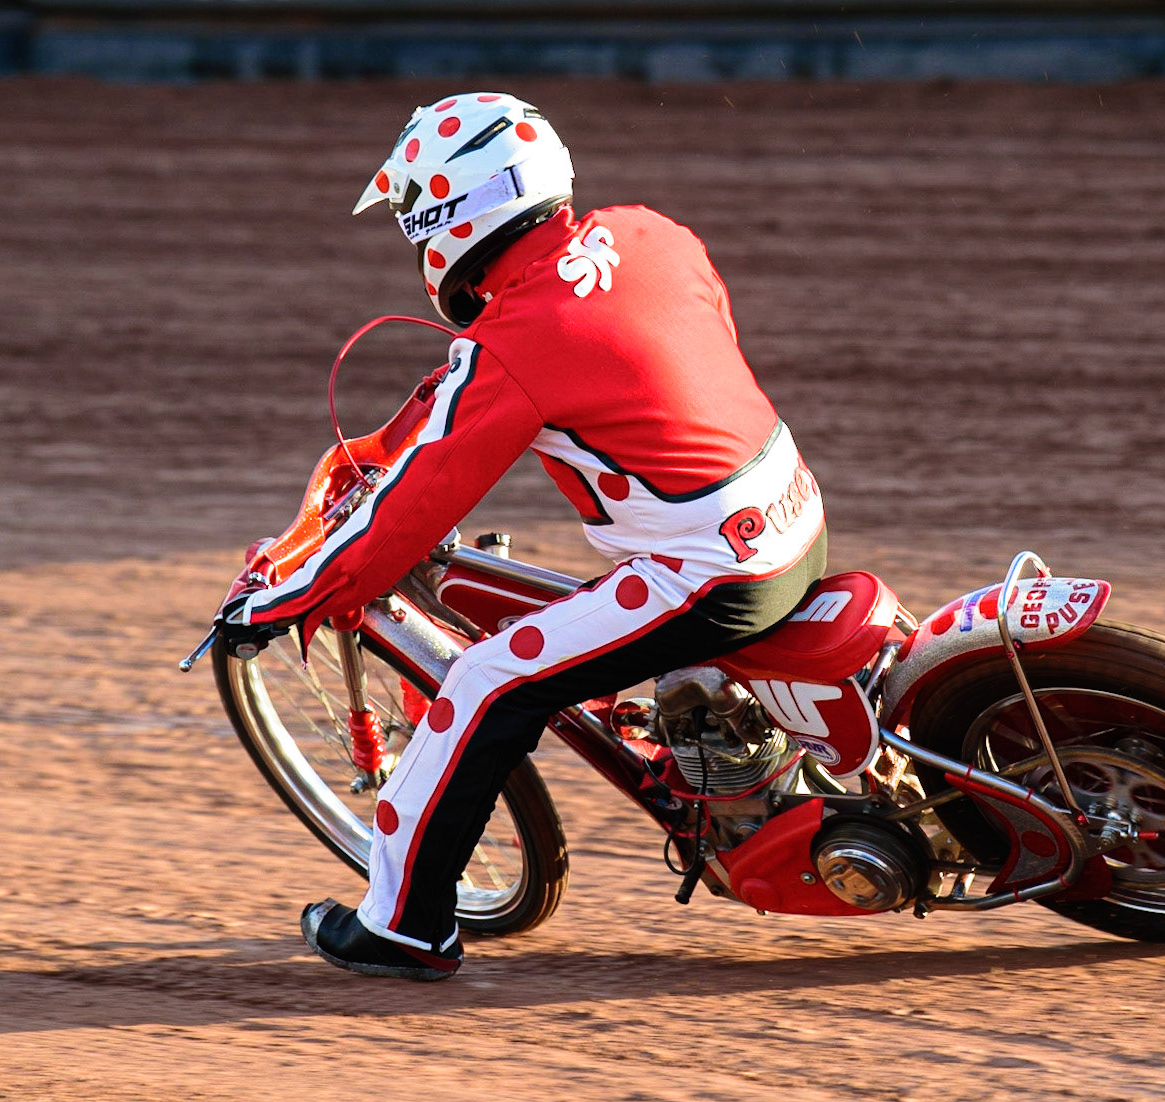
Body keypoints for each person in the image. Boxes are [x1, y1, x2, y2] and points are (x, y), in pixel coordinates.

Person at [216, 92, 827, 980]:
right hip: (791, 509)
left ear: (449, 220)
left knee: (488, 680)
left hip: (711, 570)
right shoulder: (651, 233)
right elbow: (544, 370)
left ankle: (404, 928)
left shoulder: (511, 347)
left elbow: (412, 510)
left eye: (412, 221)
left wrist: (288, 596)